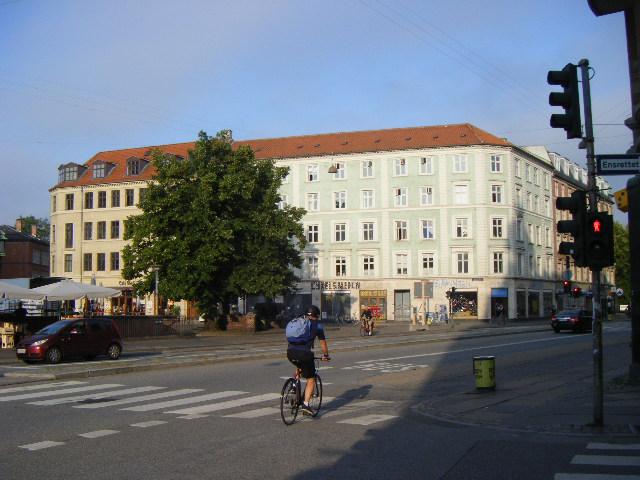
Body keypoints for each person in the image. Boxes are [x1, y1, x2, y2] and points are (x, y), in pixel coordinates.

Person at [286, 305, 330, 415]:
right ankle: (305, 405)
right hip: (304, 354)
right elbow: (323, 343)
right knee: (311, 378)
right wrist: (325, 355)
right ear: (317, 316)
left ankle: (294, 386)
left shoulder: (298, 321)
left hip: (290, 352)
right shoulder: (317, 325)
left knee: (299, 365)